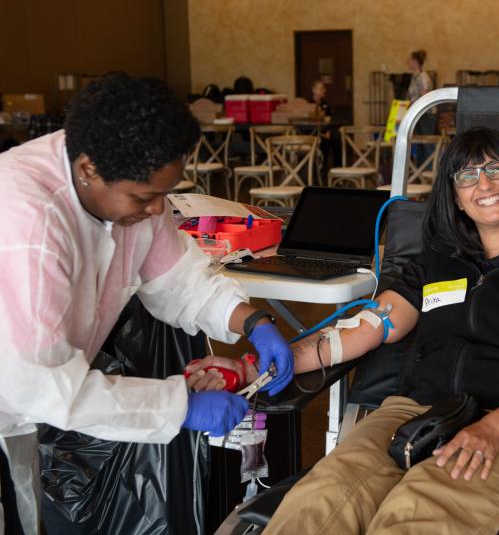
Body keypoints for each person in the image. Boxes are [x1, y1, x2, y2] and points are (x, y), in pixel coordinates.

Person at [190, 127, 499, 533]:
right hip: (415, 413)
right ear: (455, 196)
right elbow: (365, 329)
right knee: (324, 494)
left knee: (419, 505)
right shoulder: (436, 262)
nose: (484, 183)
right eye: (467, 175)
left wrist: (491, 428)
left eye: (495, 168)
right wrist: (255, 368)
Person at [0, 73, 294, 535]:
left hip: (23, 403)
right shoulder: (27, 227)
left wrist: (253, 320)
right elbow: (48, 387)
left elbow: (179, 279)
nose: (159, 210)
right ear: (87, 169)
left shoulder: (126, 181)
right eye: (145, 197)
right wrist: (180, 408)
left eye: (165, 193)